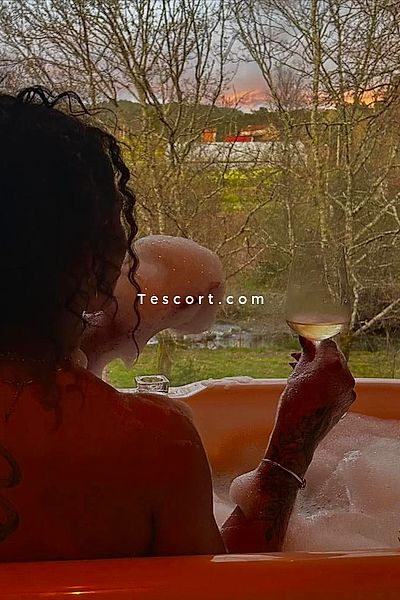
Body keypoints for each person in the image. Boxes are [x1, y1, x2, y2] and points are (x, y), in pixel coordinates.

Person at [0, 87, 355, 562]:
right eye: (118, 226)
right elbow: (227, 582)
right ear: (90, 258)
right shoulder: (151, 443)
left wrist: (90, 346)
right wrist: (294, 440)